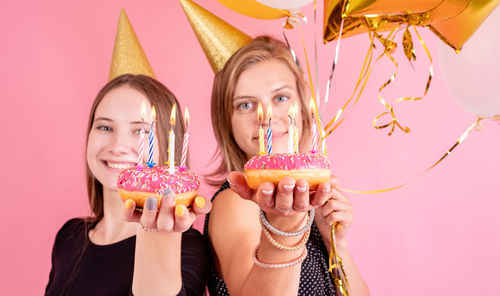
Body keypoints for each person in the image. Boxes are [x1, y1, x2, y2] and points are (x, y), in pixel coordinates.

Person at [204, 36, 370, 295]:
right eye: (246, 104)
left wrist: (335, 242)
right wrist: (284, 227)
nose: (267, 116)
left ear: (304, 107)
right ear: (228, 122)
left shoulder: (310, 201)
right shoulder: (235, 203)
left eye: (281, 97)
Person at [45, 74, 211, 296]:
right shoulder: (69, 236)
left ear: (171, 145)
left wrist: (158, 235)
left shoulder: (186, 246)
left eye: (141, 130)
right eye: (105, 127)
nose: (118, 146)